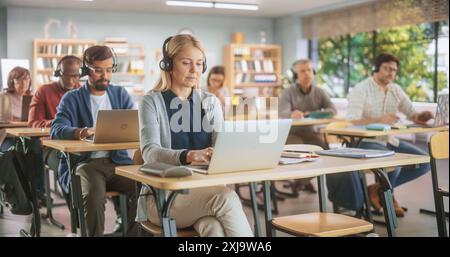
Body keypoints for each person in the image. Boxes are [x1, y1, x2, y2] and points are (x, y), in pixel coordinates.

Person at [137, 34, 253, 237]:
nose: (194, 70)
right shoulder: (151, 102)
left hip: (205, 192)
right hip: (164, 198)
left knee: (213, 229)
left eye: (199, 64)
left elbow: (222, 146)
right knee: (226, 198)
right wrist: (188, 155)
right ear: (168, 65)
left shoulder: (210, 102)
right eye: (186, 63)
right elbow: (149, 153)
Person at [51, 46, 138, 236]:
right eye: (99, 70)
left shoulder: (120, 94)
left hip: (119, 162)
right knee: (94, 195)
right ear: (85, 71)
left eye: (108, 70)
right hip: (88, 163)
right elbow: (56, 128)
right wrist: (80, 132)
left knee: (144, 188)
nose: (105, 75)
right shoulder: (71, 98)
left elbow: (136, 124)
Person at [334, 53, 432, 217]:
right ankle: (387, 195)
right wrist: (380, 119)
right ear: (376, 68)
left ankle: (379, 190)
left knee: (425, 162)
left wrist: (422, 116)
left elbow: (412, 114)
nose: (390, 73)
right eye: (386, 68)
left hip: (388, 140)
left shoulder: (395, 89)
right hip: (364, 141)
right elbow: (351, 120)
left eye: (394, 70)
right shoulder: (361, 89)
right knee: (393, 163)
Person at [27, 55, 82, 205]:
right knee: (69, 166)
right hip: (51, 147)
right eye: (67, 76)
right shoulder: (43, 92)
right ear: (58, 73)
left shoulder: (83, 92)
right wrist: (58, 124)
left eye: (75, 76)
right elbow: (33, 123)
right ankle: (78, 217)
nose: (71, 81)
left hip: (79, 145)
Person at [278, 59, 337, 192]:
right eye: (302, 71)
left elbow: (332, 110)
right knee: (301, 153)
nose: (307, 74)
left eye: (309, 70)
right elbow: (282, 112)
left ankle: (302, 181)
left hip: (309, 133)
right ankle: (302, 180)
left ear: (314, 72)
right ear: (295, 75)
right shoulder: (288, 92)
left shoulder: (320, 92)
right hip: (290, 133)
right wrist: (292, 113)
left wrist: (311, 113)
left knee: (326, 152)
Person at [0, 66, 32, 151]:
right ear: (12, 81)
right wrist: (6, 121)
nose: (24, 83)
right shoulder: (3, 97)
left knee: (35, 149)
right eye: (19, 79)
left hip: (28, 135)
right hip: (7, 136)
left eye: (26, 79)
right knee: (14, 151)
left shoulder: (33, 98)